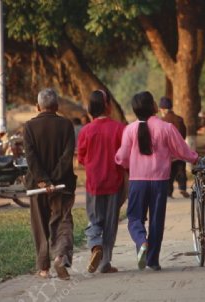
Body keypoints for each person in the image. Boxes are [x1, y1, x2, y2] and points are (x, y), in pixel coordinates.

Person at [115, 91, 198, 271]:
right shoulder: (166, 128)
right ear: (153, 106)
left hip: (137, 181)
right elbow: (182, 151)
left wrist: (125, 162)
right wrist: (195, 158)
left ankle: (141, 241)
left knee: (135, 218)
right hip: (160, 181)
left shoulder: (129, 130)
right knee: (156, 221)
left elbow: (122, 158)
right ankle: (153, 261)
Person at [23, 88, 77, 280]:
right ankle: (60, 256)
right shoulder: (66, 125)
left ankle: (43, 268)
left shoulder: (29, 127)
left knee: (40, 224)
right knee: (63, 221)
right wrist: (54, 180)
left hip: (38, 187)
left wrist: (44, 181)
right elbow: (67, 156)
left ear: (38, 107)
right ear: (57, 106)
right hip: (63, 186)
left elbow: (31, 158)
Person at [77, 90, 126, 274]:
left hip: (94, 184)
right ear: (108, 106)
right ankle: (105, 263)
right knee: (110, 223)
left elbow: (81, 158)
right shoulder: (119, 128)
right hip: (115, 183)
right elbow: (124, 156)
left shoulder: (86, 130)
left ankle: (95, 244)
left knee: (94, 219)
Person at [159, 96, 190, 198]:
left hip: (167, 151)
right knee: (181, 169)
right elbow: (184, 134)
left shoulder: (162, 121)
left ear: (163, 109)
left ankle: (169, 192)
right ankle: (182, 188)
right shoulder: (179, 119)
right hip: (179, 149)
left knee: (169, 172)